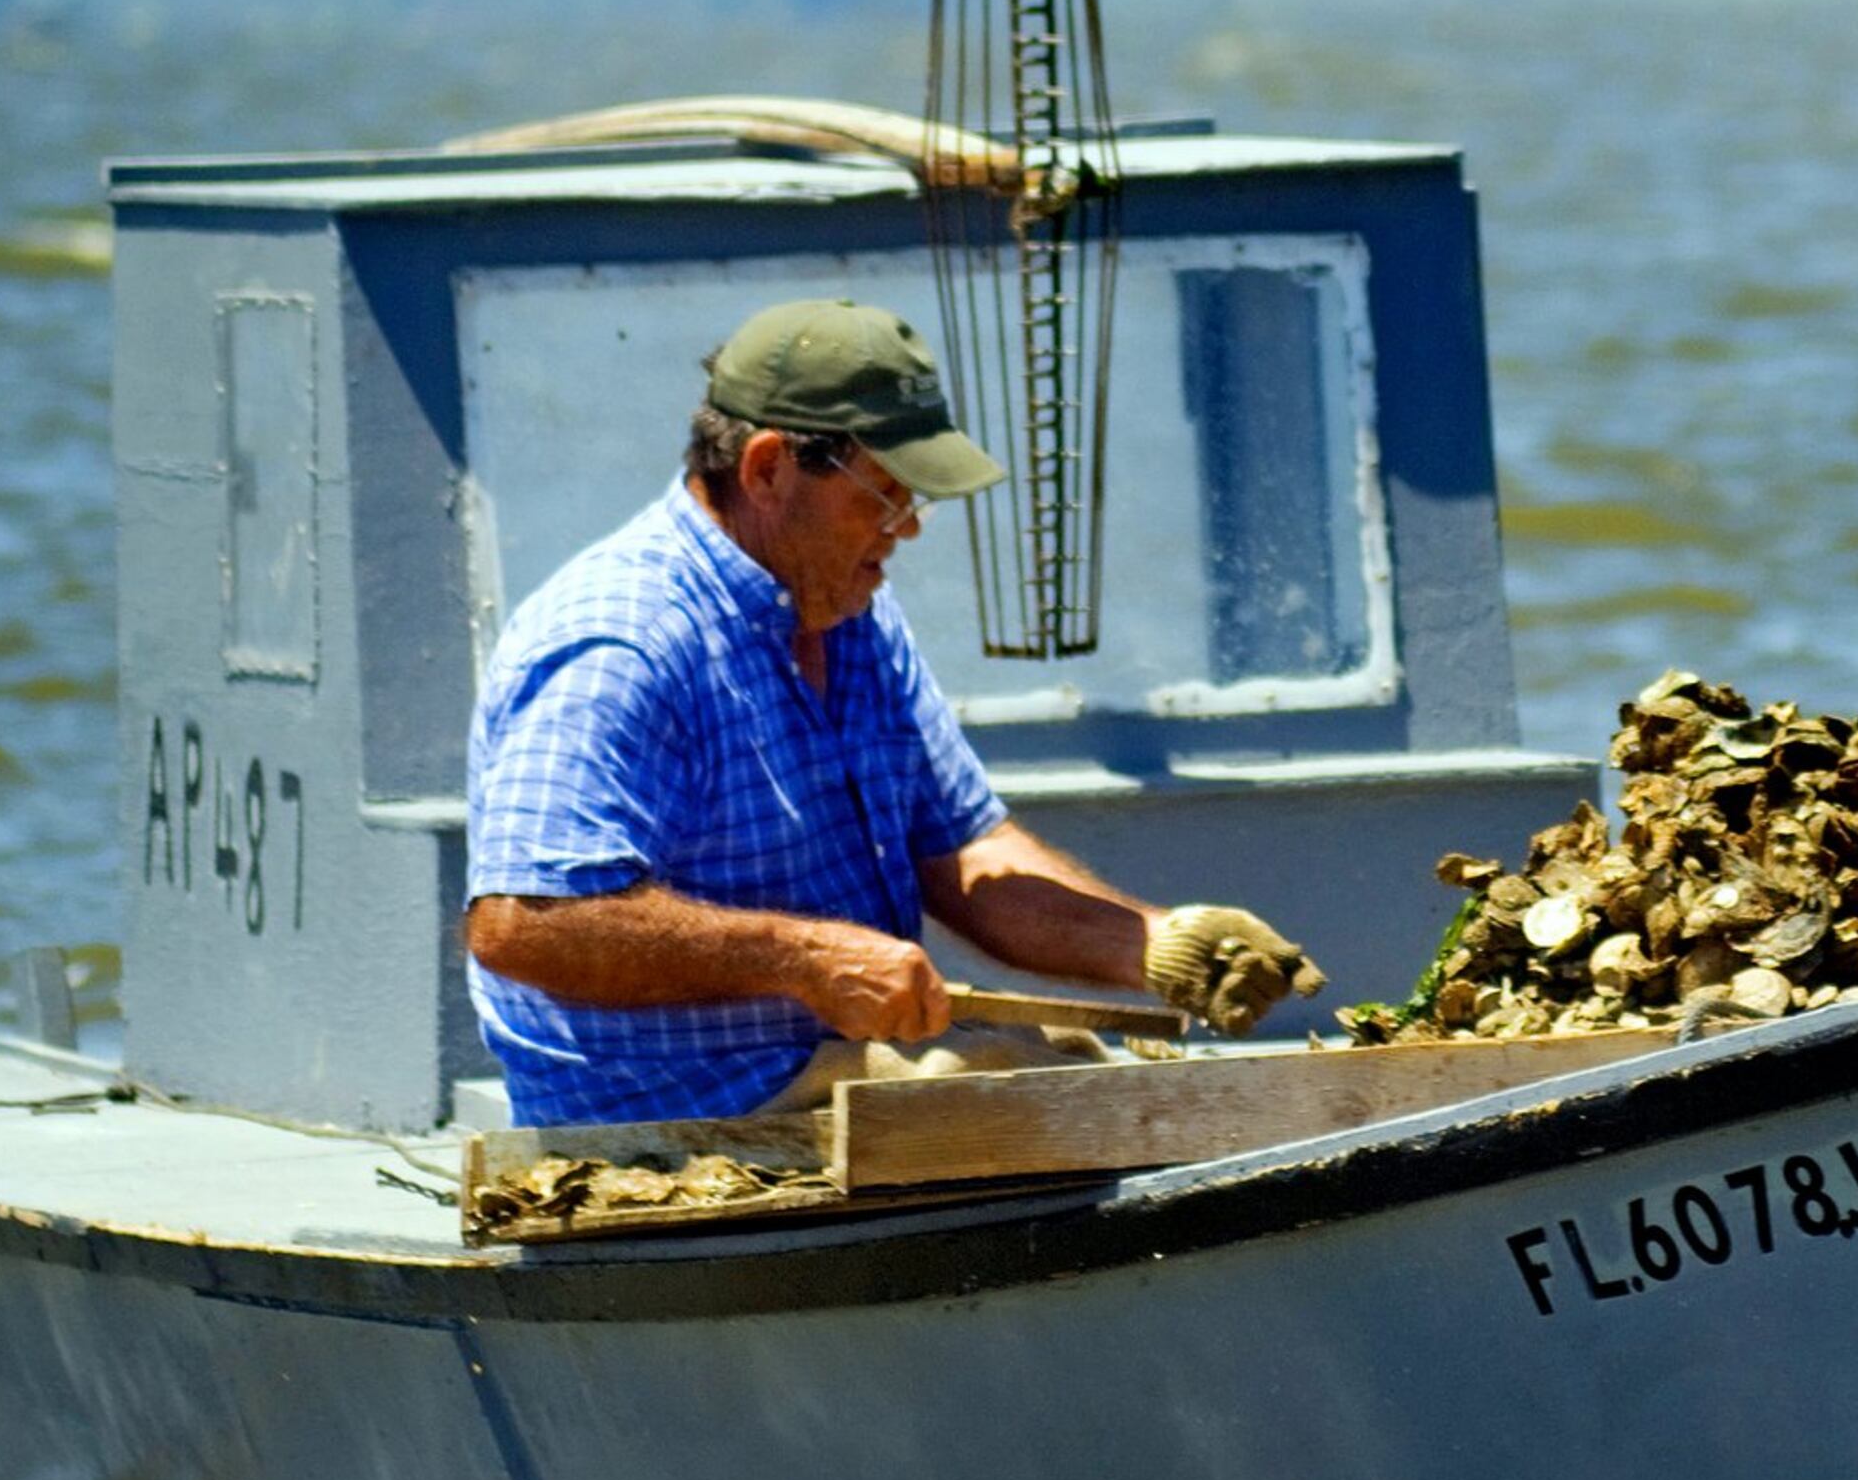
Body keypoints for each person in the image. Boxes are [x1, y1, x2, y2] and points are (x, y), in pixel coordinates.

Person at [463, 296, 1318, 1126]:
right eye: (887, 493)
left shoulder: (850, 610)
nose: (907, 528)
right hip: (678, 1112)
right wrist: (806, 959)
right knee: (1088, 1115)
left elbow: (964, 852)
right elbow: (523, 925)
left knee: (1107, 1097)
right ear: (767, 468)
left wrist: (1154, 944)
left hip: (836, 1071)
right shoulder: (619, 642)